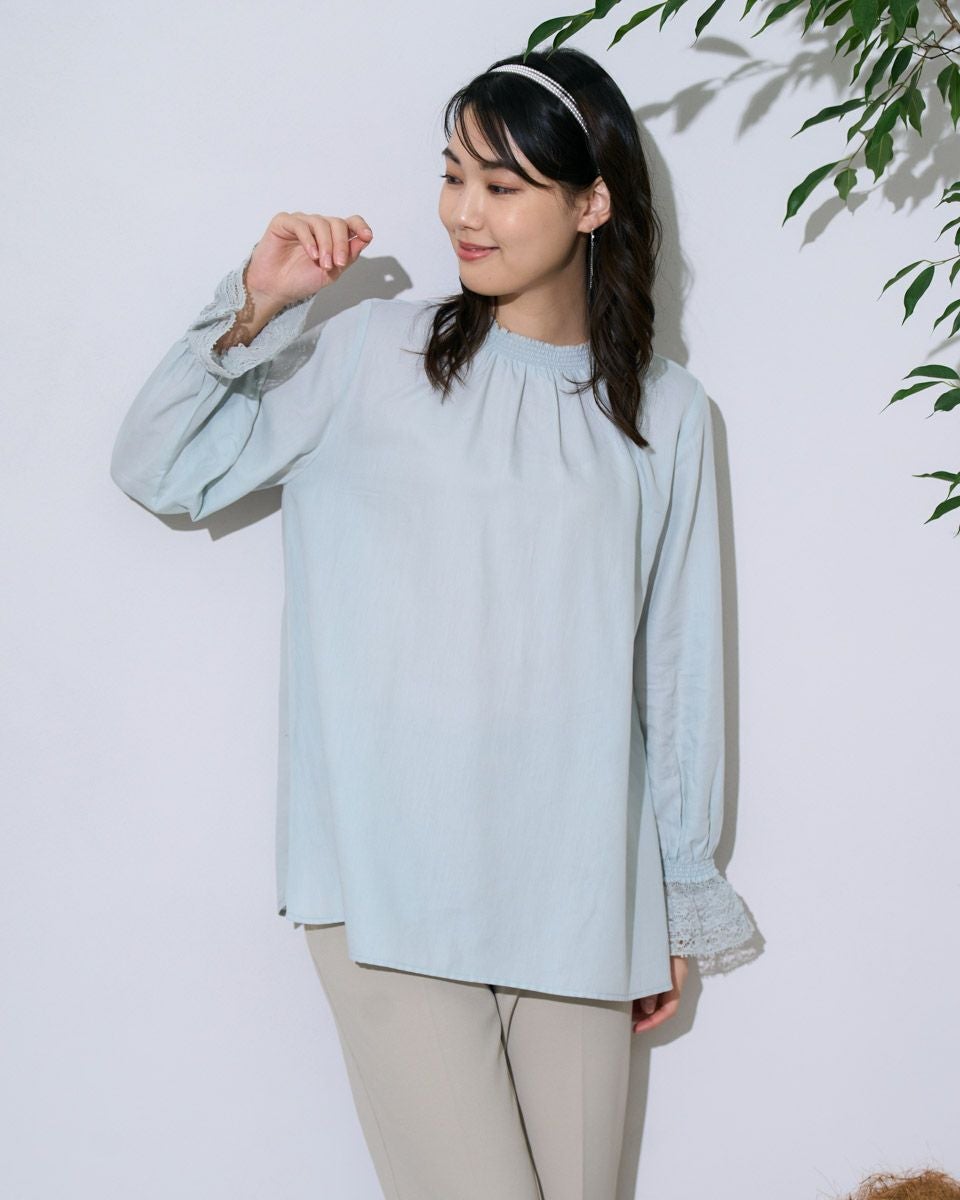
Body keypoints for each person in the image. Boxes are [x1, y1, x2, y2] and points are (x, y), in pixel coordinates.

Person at [110, 46, 757, 1200]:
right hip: (390, 883)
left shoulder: (665, 413)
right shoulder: (371, 354)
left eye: (502, 186)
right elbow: (161, 470)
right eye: (454, 174)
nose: (463, 211)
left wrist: (672, 890)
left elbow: (676, 671)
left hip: (580, 894)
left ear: (592, 202)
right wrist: (254, 304)